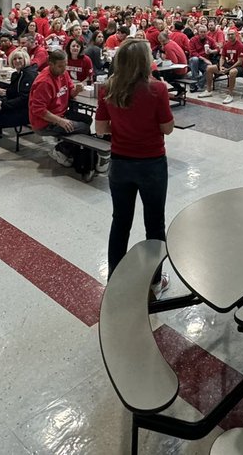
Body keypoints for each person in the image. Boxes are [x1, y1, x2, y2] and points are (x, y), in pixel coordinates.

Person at [95, 38, 174, 294]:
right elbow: (167, 129)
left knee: (120, 222)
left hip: (120, 163)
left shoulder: (108, 88)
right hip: (151, 164)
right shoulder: (158, 89)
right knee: (154, 224)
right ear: (145, 61)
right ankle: (154, 282)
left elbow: (100, 129)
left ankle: (114, 280)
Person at [27, 49, 91, 170]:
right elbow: (38, 110)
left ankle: (67, 149)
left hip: (61, 114)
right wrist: (60, 121)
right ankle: (61, 150)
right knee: (84, 128)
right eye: (60, 66)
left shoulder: (63, 73)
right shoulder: (44, 82)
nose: (64, 69)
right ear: (51, 64)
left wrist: (77, 90)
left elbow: (70, 92)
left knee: (87, 119)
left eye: (66, 65)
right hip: (44, 123)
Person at [198, 26, 243, 104]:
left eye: (232, 34)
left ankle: (230, 95)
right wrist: (220, 66)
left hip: (240, 67)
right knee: (209, 68)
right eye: (229, 34)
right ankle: (208, 90)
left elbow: (240, 62)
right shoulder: (226, 45)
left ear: (236, 35)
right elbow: (222, 57)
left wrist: (229, 69)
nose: (230, 36)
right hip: (228, 65)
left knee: (232, 72)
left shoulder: (240, 46)